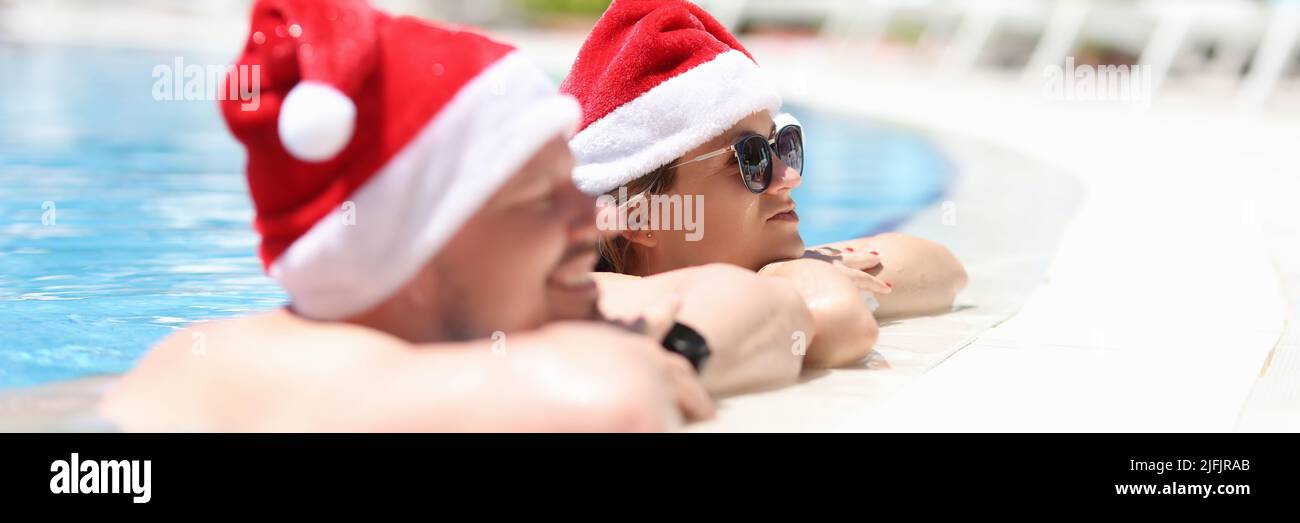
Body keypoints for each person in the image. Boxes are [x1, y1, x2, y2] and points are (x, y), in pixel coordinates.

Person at [100, 0, 815, 432]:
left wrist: (676, 346)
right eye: (543, 199)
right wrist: (647, 357)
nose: (588, 216)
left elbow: (796, 315)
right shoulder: (234, 369)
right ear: (413, 251)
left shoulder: (481, 318)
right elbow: (612, 402)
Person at [560, 0, 967, 365]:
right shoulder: (586, 296)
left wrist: (783, 274)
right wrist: (788, 280)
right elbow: (842, 323)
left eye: (783, 143)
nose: (789, 178)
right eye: (749, 158)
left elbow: (943, 269)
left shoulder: (746, 262)